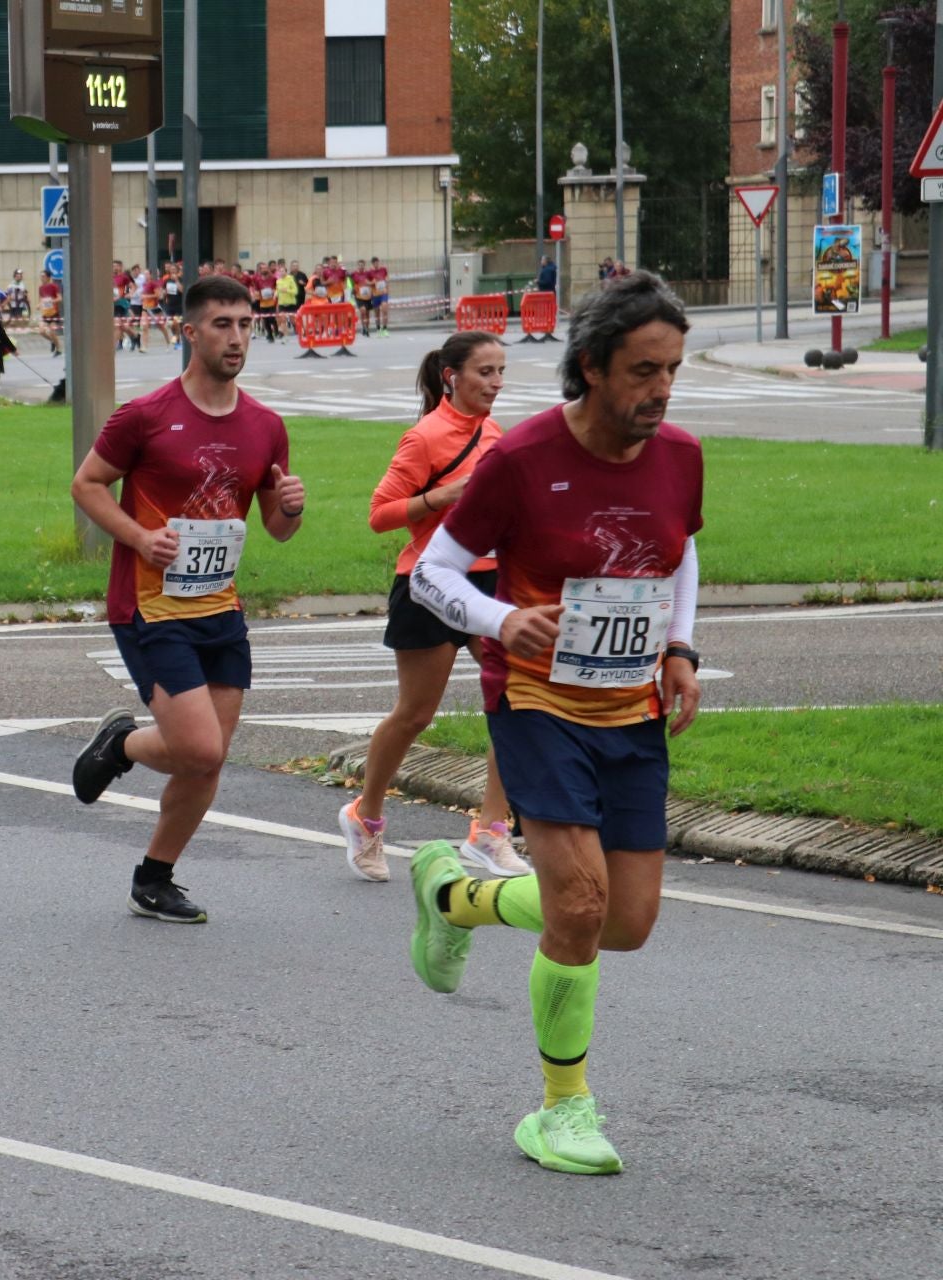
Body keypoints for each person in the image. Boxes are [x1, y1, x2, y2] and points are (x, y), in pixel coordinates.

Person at [406, 271, 703, 1176]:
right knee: (578, 903)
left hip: (631, 710)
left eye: (672, 371)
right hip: (535, 702)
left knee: (627, 921)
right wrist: (501, 620)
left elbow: (682, 551)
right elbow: (434, 573)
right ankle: (562, 1109)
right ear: (591, 368)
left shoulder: (682, 454)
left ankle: (455, 897)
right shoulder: (524, 458)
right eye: (643, 370)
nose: (660, 389)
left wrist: (681, 648)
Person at [68, 275, 305, 924]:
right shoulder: (145, 417)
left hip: (220, 608)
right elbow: (87, 485)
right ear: (189, 332)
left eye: (246, 324)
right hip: (151, 607)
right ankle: (120, 747)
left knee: (207, 761)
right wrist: (141, 539)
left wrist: (289, 511)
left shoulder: (265, 426)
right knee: (198, 749)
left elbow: (277, 530)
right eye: (222, 324)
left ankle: (154, 877)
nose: (237, 337)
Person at [339, 332, 524, 882]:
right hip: (429, 584)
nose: (495, 383)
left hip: (489, 583)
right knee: (416, 713)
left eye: (500, 372)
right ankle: (364, 815)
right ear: (452, 376)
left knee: (516, 702)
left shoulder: (495, 433)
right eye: (484, 372)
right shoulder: (424, 437)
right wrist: (437, 498)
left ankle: (491, 831)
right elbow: (380, 514)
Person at [38, 268, 64, 356]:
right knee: (41, 331)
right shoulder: (41, 288)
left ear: (48, 277)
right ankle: (53, 341)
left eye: (43, 276)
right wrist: (39, 305)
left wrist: (51, 301)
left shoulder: (54, 286)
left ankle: (59, 349)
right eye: (41, 276)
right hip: (45, 314)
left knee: (51, 331)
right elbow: (41, 299)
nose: (41, 278)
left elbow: (60, 298)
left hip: (54, 313)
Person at [369, 256, 391, 335]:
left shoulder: (383, 269)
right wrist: (372, 282)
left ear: (379, 262)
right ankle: (378, 329)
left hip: (383, 293)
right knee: (377, 312)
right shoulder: (370, 272)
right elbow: (368, 283)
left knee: (384, 309)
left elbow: (387, 278)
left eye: (377, 262)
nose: (376, 264)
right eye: (374, 263)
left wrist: (387, 285)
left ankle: (385, 329)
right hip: (375, 295)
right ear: (372, 264)